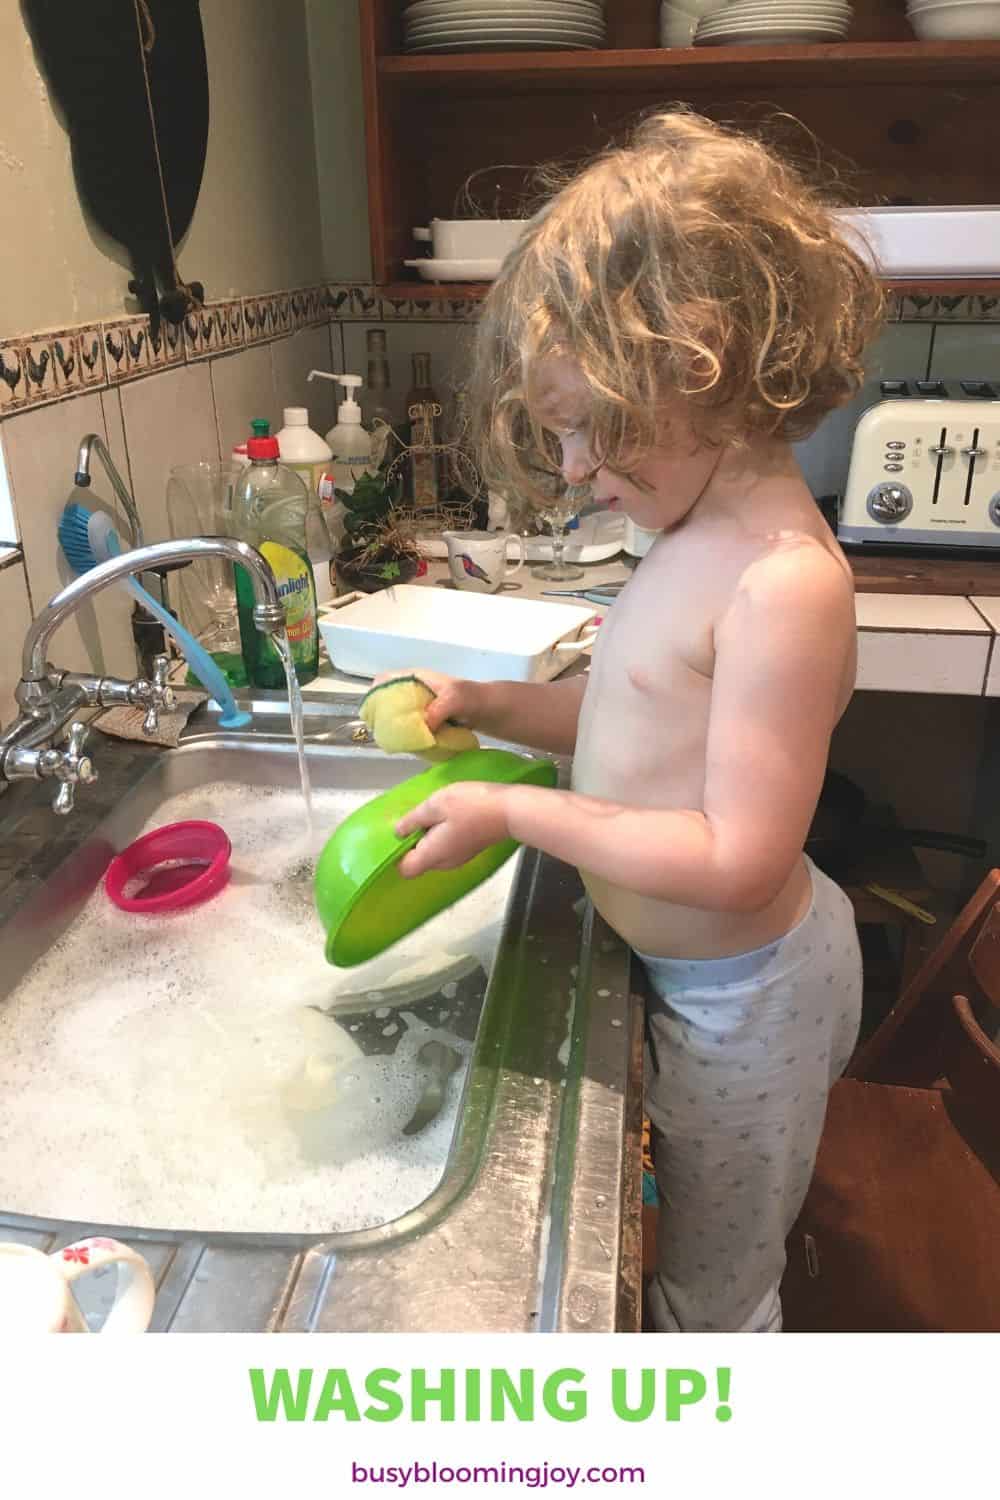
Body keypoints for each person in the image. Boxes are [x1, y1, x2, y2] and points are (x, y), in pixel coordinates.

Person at [389, 110, 885, 1332]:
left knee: (710, 1289)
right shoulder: (687, 538)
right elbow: (633, 718)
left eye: (587, 425)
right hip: (696, 972)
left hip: (746, 996)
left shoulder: (781, 582)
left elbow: (736, 855)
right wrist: (500, 711)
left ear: (702, 364)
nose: (568, 469)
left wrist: (517, 809)